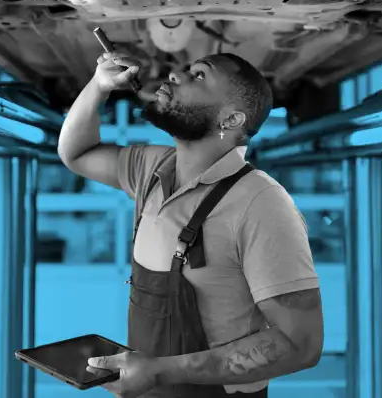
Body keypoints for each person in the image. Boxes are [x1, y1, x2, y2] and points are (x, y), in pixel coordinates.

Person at [57, 50, 324, 398]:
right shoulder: (153, 170)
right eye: (185, 69)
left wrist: (160, 371)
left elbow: (301, 344)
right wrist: (99, 86)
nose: (174, 76)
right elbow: (75, 153)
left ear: (231, 120)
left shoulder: (262, 204)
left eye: (199, 75)